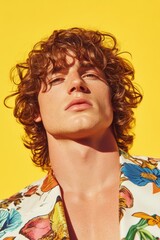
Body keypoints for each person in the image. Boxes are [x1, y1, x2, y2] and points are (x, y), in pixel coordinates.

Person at [1, 27, 160, 240]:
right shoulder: (8, 223)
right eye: (56, 79)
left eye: (90, 74)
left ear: (113, 99)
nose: (76, 83)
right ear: (36, 109)